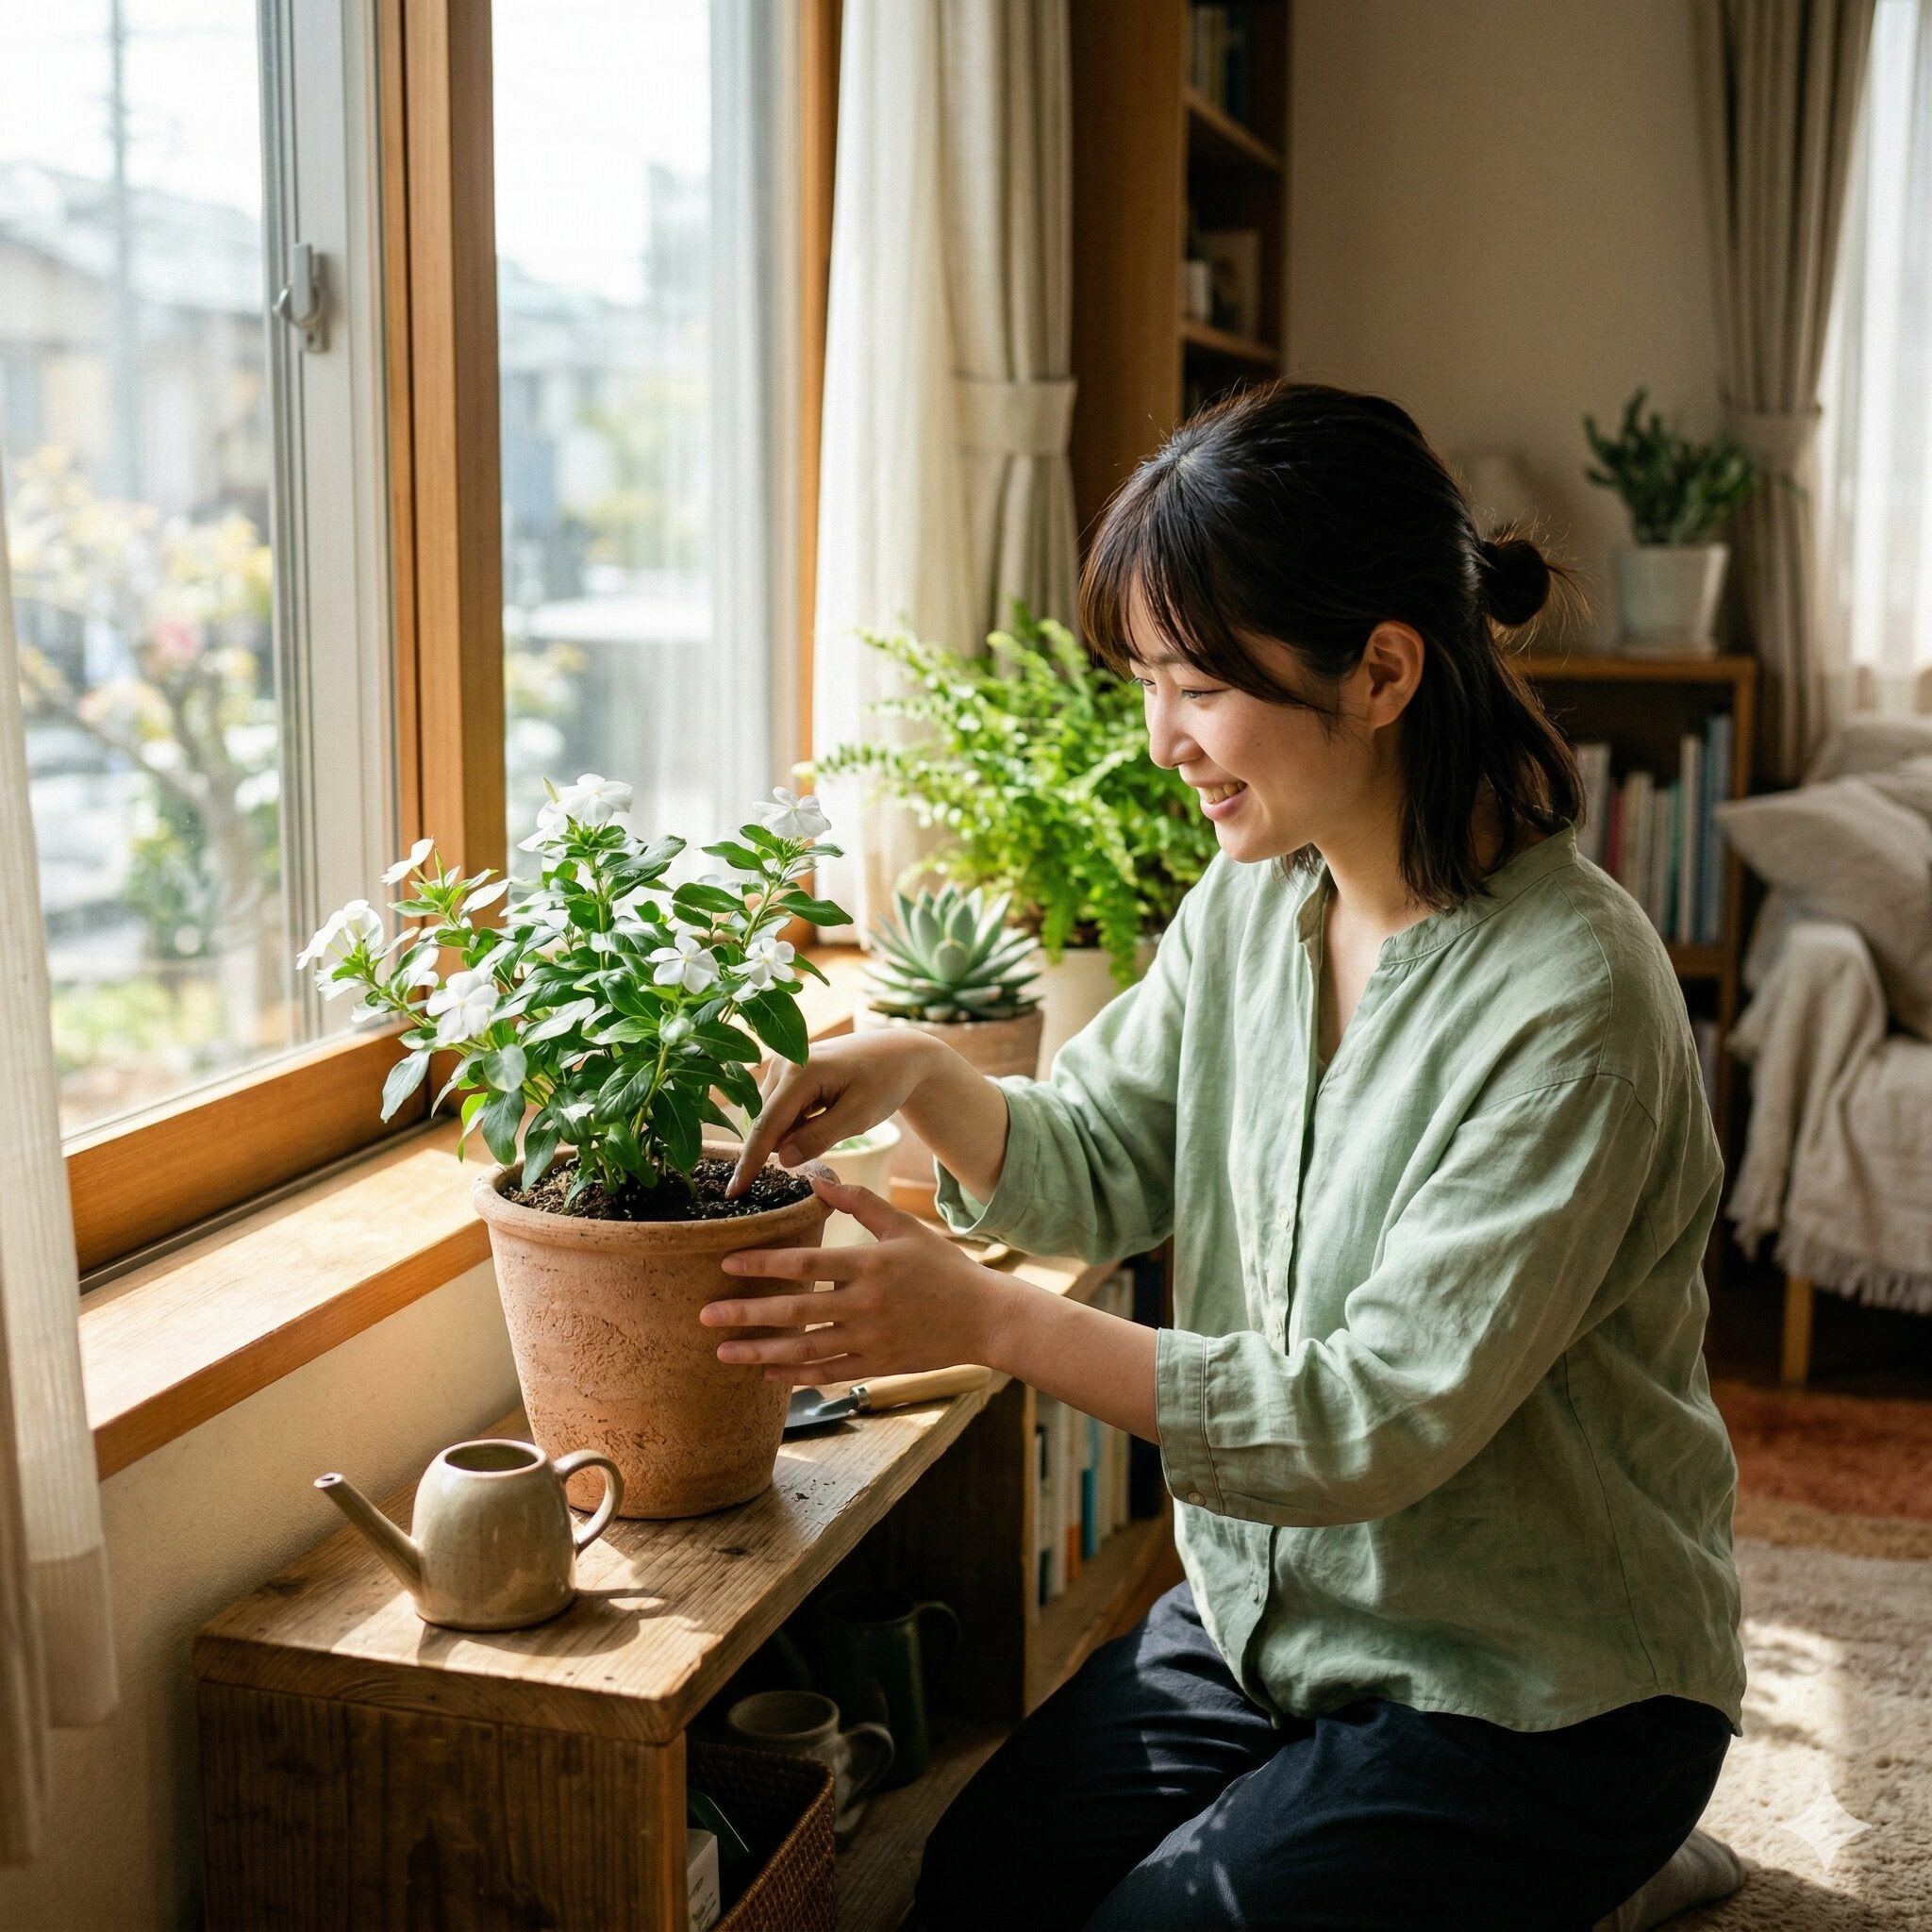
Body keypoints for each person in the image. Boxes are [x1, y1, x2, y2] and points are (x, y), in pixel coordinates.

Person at [705, 382, 1746, 1931]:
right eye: (1145, 681)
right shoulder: (1261, 895)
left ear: (1384, 668)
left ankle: (1609, 1864)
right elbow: (1098, 1153)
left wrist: (990, 1320)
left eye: (1198, 686)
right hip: (1282, 1623)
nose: (1163, 740)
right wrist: (922, 1072)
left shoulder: (1575, 1004)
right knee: (975, 1891)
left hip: (1538, 1689)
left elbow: (1371, 1421)